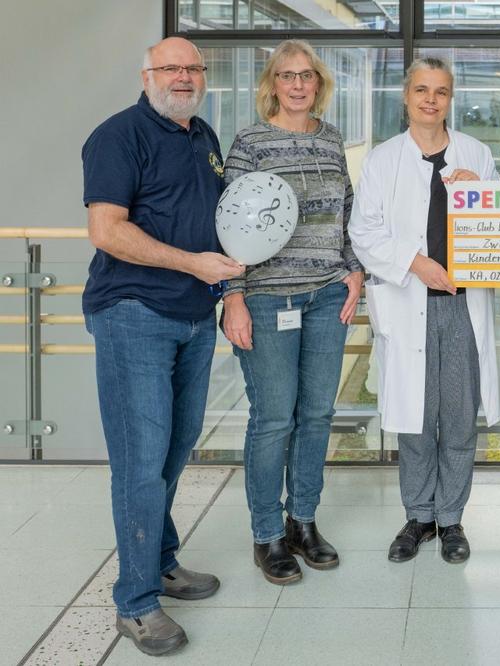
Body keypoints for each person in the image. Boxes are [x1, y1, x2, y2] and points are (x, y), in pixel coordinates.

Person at [82, 37, 245, 656]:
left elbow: (216, 223)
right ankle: (136, 603)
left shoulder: (202, 135)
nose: (183, 76)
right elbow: (107, 230)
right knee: (140, 460)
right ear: (146, 74)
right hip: (134, 314)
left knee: (175, 450)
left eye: (193, 68)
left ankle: (161, 559)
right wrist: (193, 264)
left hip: (194, 316)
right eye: (170, 67)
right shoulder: (118, 136)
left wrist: (225, 289)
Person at [221, 40, 364, 585]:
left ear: (318, 83)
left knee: (318, 414)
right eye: (287, 76)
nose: (298, 85)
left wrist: (354, 270)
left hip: (327, 294)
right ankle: (266, 535)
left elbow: (345, 213)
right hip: (266, 297)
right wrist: (233, 295)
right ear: (272, 84)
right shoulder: (250, 142)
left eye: (307, 75)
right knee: (274, 417)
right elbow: (227, 223)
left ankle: (302, 521)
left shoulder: (331, 139)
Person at [349, 58, 500, 564]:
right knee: (414, 417)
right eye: (421, 90)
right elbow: (363, 232)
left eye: (440, 91)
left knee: (458, 417)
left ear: (450, 98)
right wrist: (416, 263)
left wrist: (479, 193)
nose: (430, 100)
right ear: (406, 96)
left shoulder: (476, 153)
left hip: (462, 307)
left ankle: (451, 518)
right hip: (408, 301)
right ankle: (418, 516)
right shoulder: (383, 160)